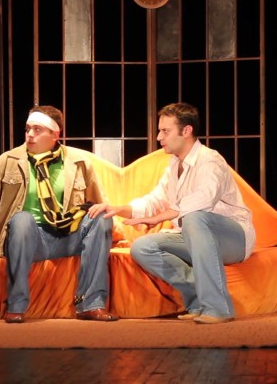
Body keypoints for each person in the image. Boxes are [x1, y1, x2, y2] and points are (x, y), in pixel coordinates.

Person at [92, 102, 255, 324]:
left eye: (165, 131)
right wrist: (120, 209)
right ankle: (197, 299)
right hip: (194, 236)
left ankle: (218, 307)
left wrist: (165, 215)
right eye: (160, 131)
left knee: (194, 217)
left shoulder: (210, 159)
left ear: (186, 131)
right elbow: (155, 200)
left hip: (233, 238)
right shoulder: (173, 165)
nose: (159, 137)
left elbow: (206, 197)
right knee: (143, 247)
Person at [0, 105, 118, 323]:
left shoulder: (79, 162)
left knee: (101, 216)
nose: (30, 135)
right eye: (28, 129)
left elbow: (98, 202)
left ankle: (91, 305)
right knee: (22, 219)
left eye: (37, 130)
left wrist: (112, 231)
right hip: (28, 238)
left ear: (55, 134)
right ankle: (16, 306)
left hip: (66, 235)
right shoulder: (6, 162)